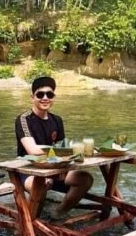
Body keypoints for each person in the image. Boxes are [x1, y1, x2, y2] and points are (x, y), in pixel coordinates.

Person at [15, 76, 93, 217]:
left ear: (53, 98)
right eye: (40, 94)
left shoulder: (57, 120)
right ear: (32, 97)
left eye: (49, 94)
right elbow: (32, 150)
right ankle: (31, 222)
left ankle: (58, 213)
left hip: (55, 168)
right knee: (42, 184)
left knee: (85, 179)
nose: (45, 98)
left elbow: (62, 149)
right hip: (28, 169)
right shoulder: (24, 119)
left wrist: (63, 166)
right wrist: (58, 155)